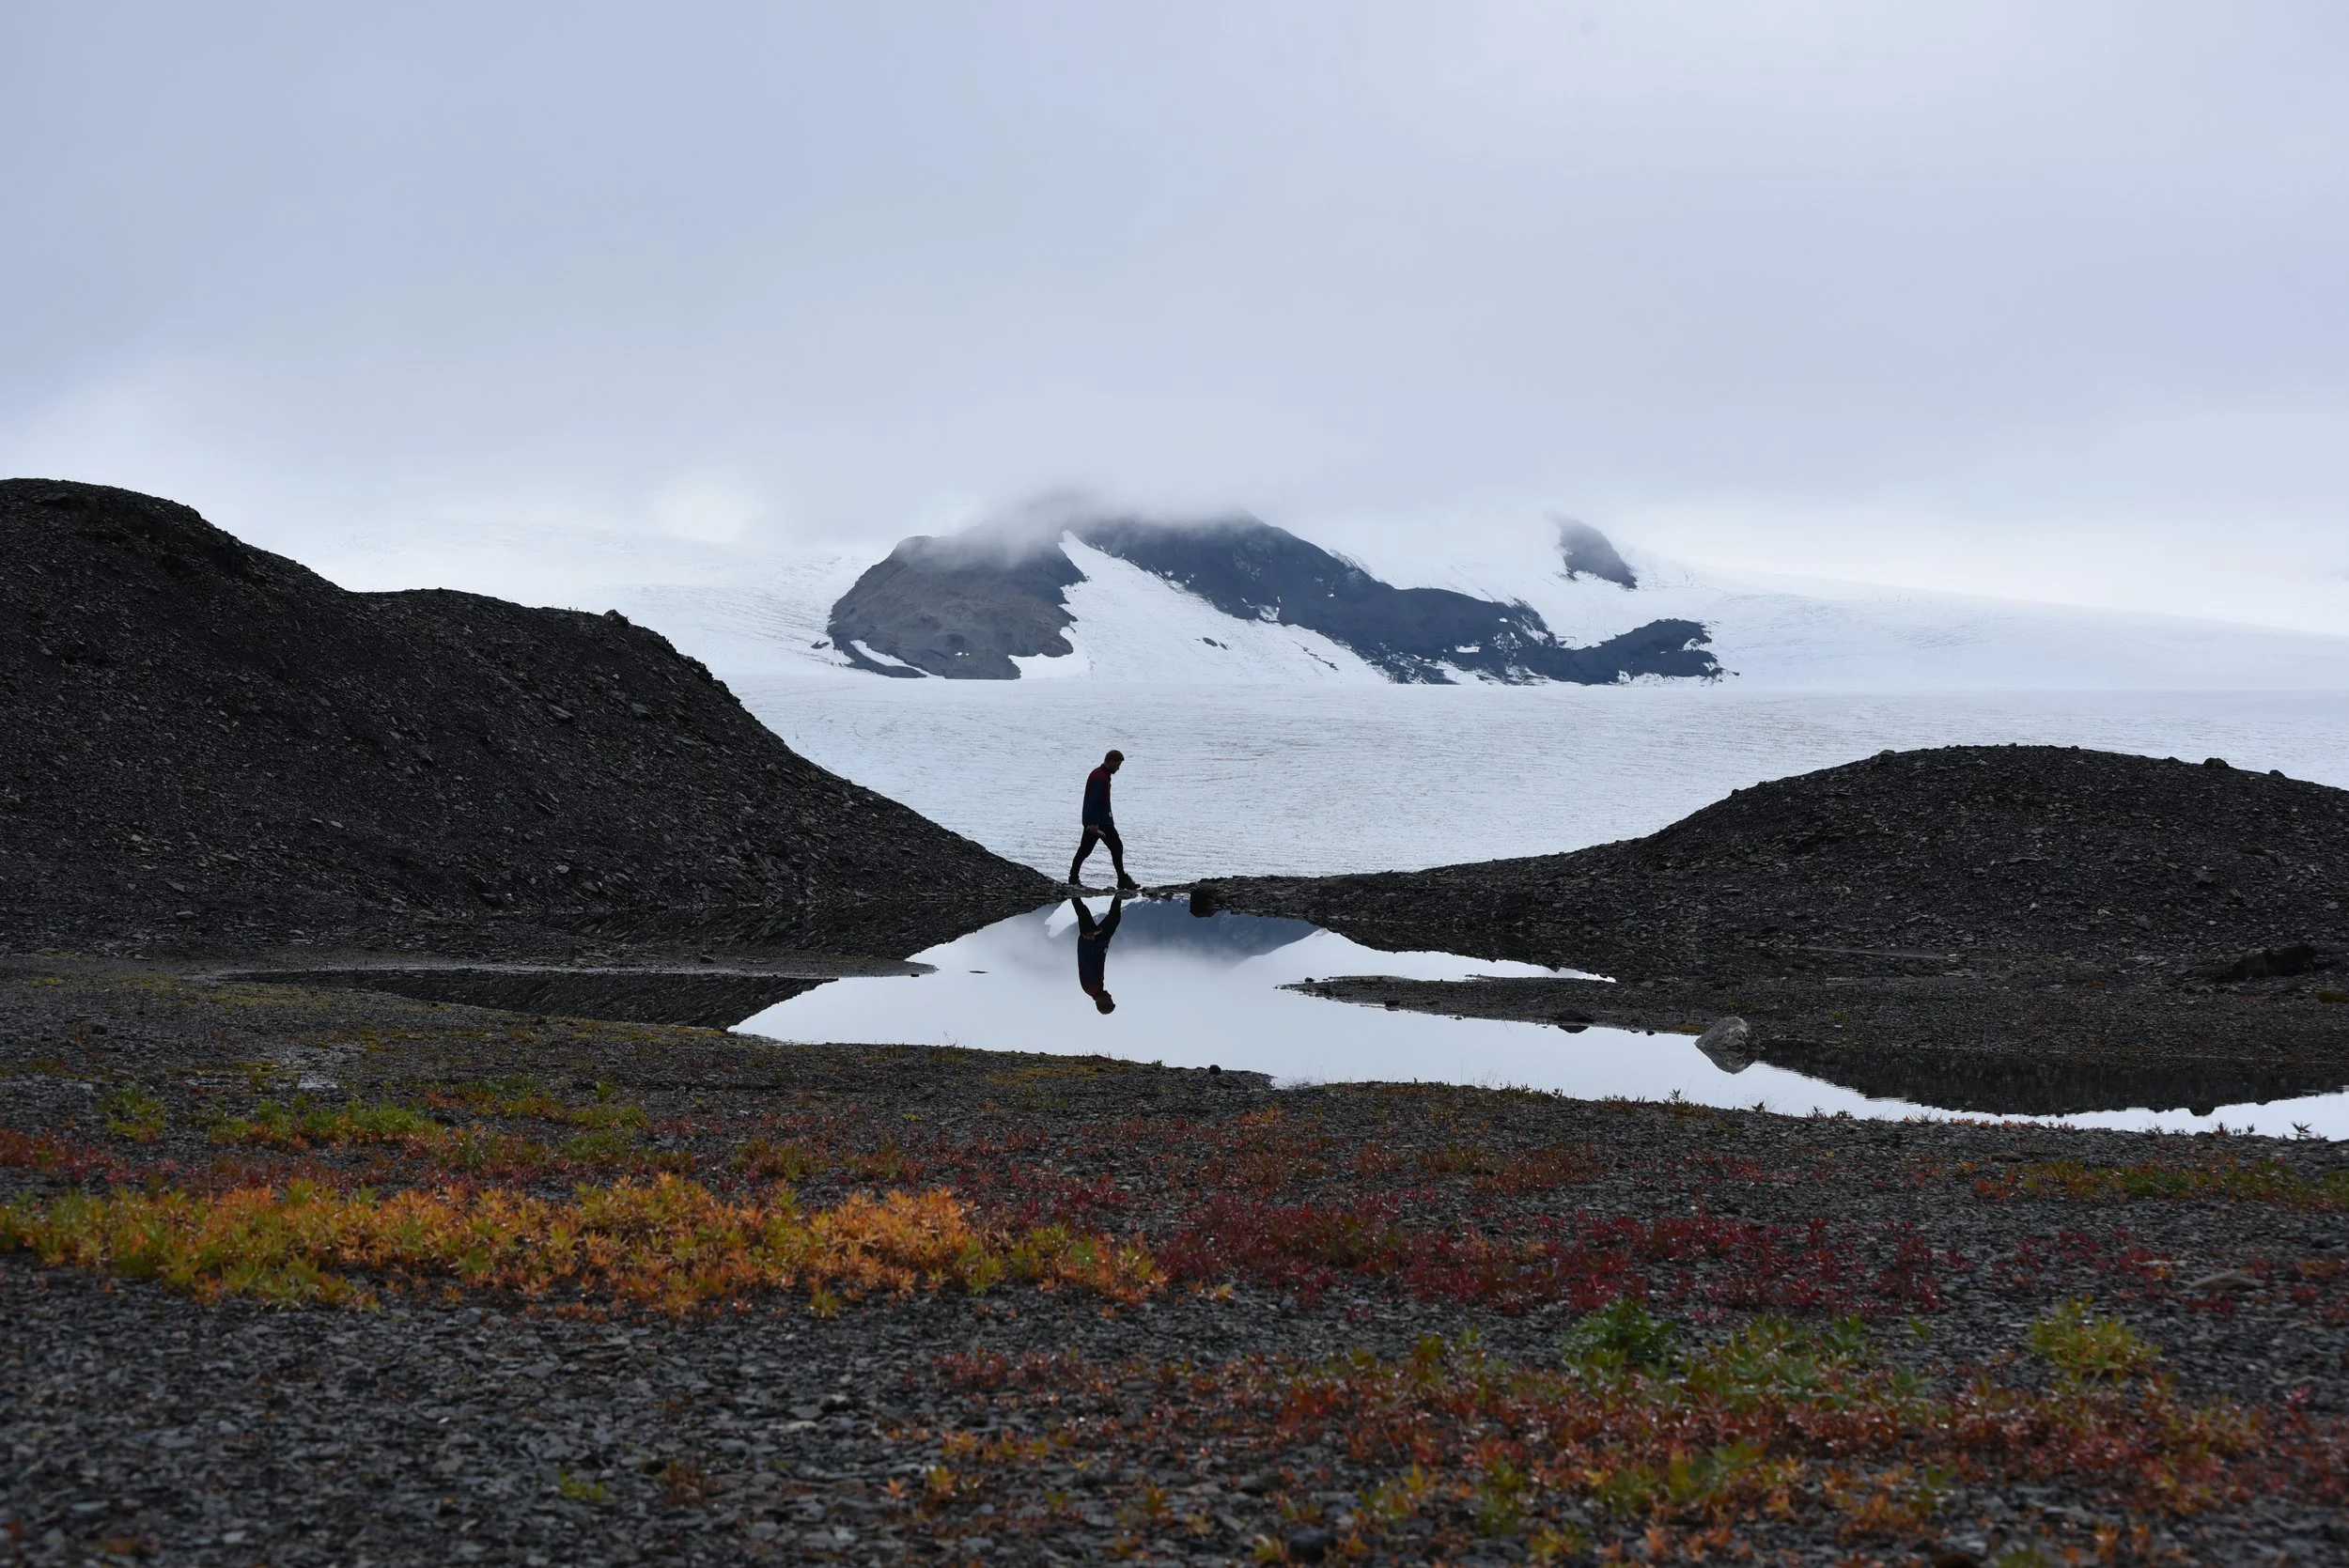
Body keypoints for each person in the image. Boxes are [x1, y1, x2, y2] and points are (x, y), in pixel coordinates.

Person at [1068, 748, 1140, 891]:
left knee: (1086, 850)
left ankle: (1073, 878)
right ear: (1111, 762)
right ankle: (1122, 880)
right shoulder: (1100, 778)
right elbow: (1094, 801)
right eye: (1118, 764)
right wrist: (1094, 823)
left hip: (1098, 820)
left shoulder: (1099, 774)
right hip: (1100, 822)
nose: (1119, 768)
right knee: (1115, 847)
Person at [1071, 892, 1124, 1014]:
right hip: (1095, 942)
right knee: (1083, 912)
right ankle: (1072, 888)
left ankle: (1072, 886)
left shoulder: (1092, 986)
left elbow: (1086, 961)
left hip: (1092, 939)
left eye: (1109, 1000)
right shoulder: (1096, 988)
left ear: (1103, 1002)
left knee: (1111, 917)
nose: (1110, 997)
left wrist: (1089, 940)